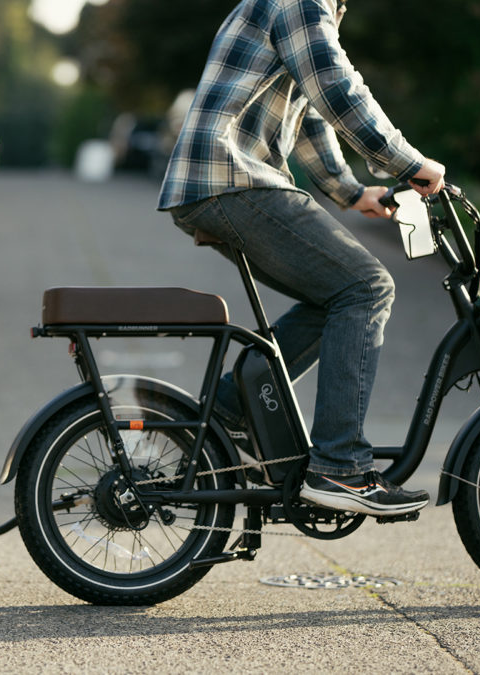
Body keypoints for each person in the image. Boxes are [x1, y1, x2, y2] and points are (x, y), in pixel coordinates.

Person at [157, 0, 445, 516]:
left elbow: (310, 105)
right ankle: (340, 470)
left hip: (220, 183)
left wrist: (352, 191)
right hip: (234, 180)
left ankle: (229, 410)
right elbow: (337, 89)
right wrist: (410, 161)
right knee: (366, 287)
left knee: (332, 295)